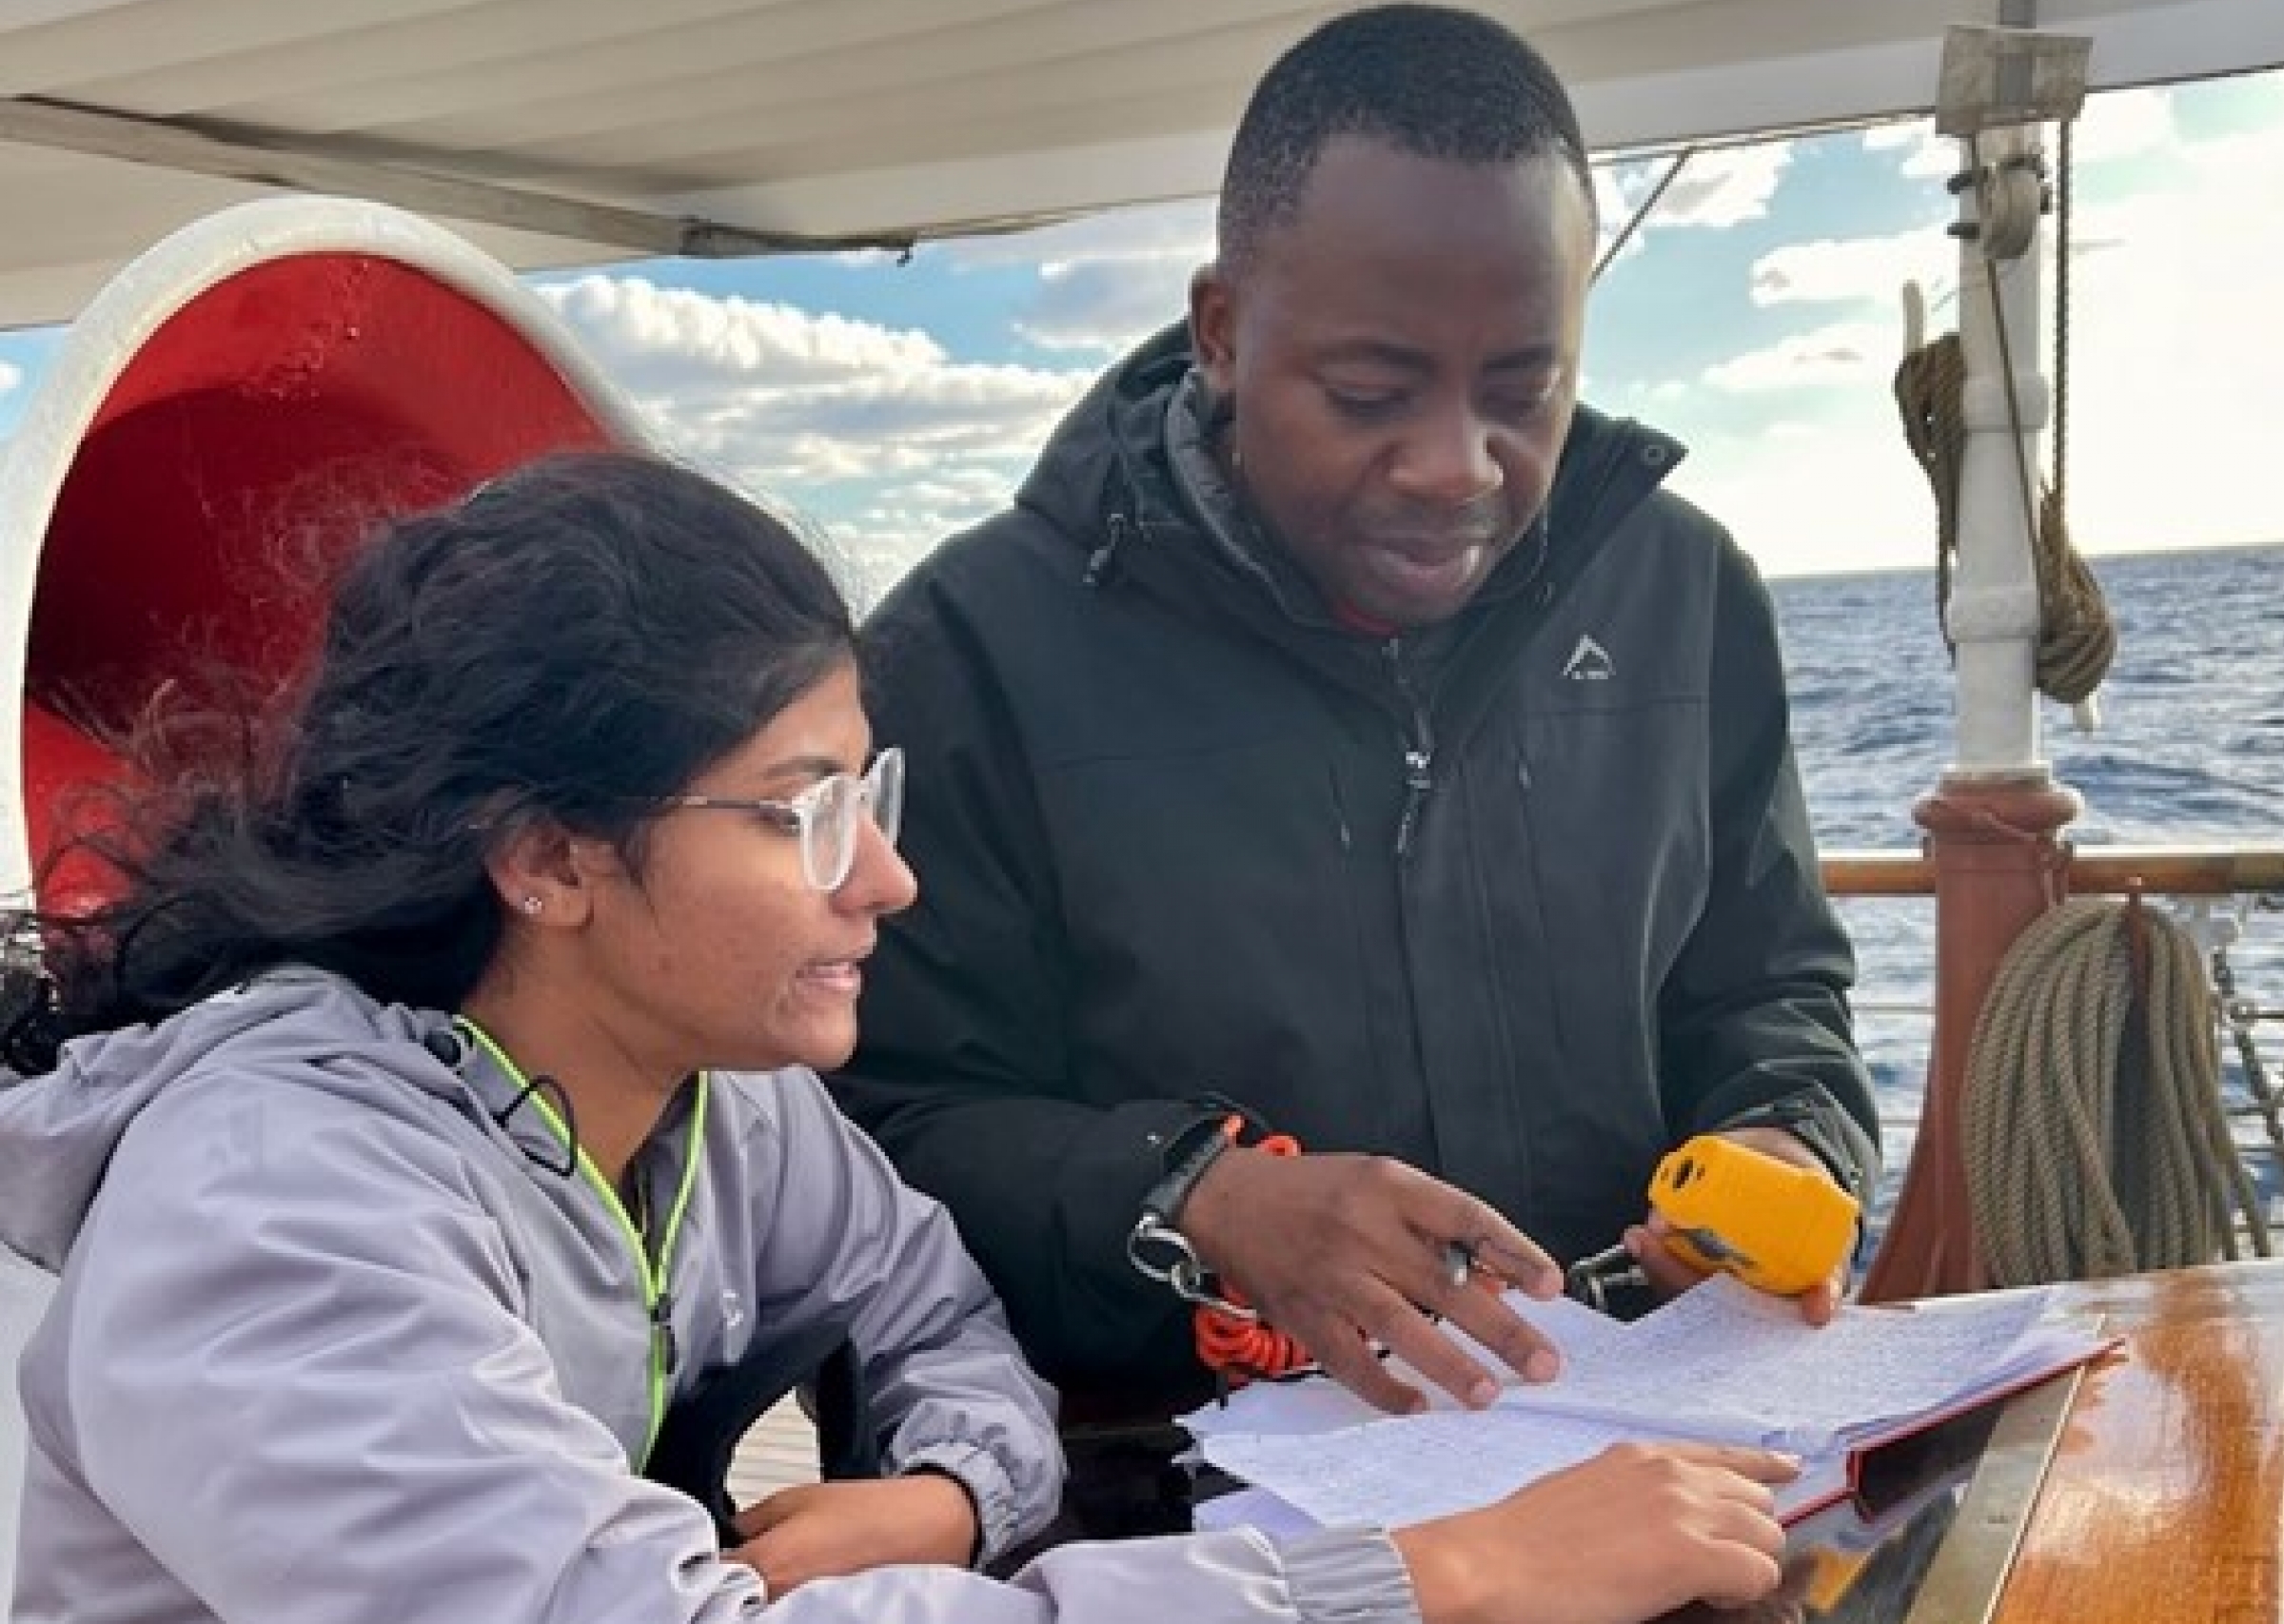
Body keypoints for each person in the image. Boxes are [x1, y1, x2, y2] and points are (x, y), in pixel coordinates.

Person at [0, 450, 1797, 1624]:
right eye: (800, 812)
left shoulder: (714, 1107)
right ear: (549, 858)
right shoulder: (274, 1215)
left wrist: (943, 1497)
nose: (890, 878)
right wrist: (1437, 1575)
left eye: (870, 789)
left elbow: (931, 1310)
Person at [836, 0, 1881, 1457]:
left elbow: (1775, 992)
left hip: (1656, 1453)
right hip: (1169, 1493)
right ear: (1221, 332)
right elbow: (872, 1129)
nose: (1456, 467)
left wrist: (1789, 1140)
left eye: (1528, 391)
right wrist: (1202, 1198)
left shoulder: (1689, 592)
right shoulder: (965, 649)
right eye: (1370, 394)